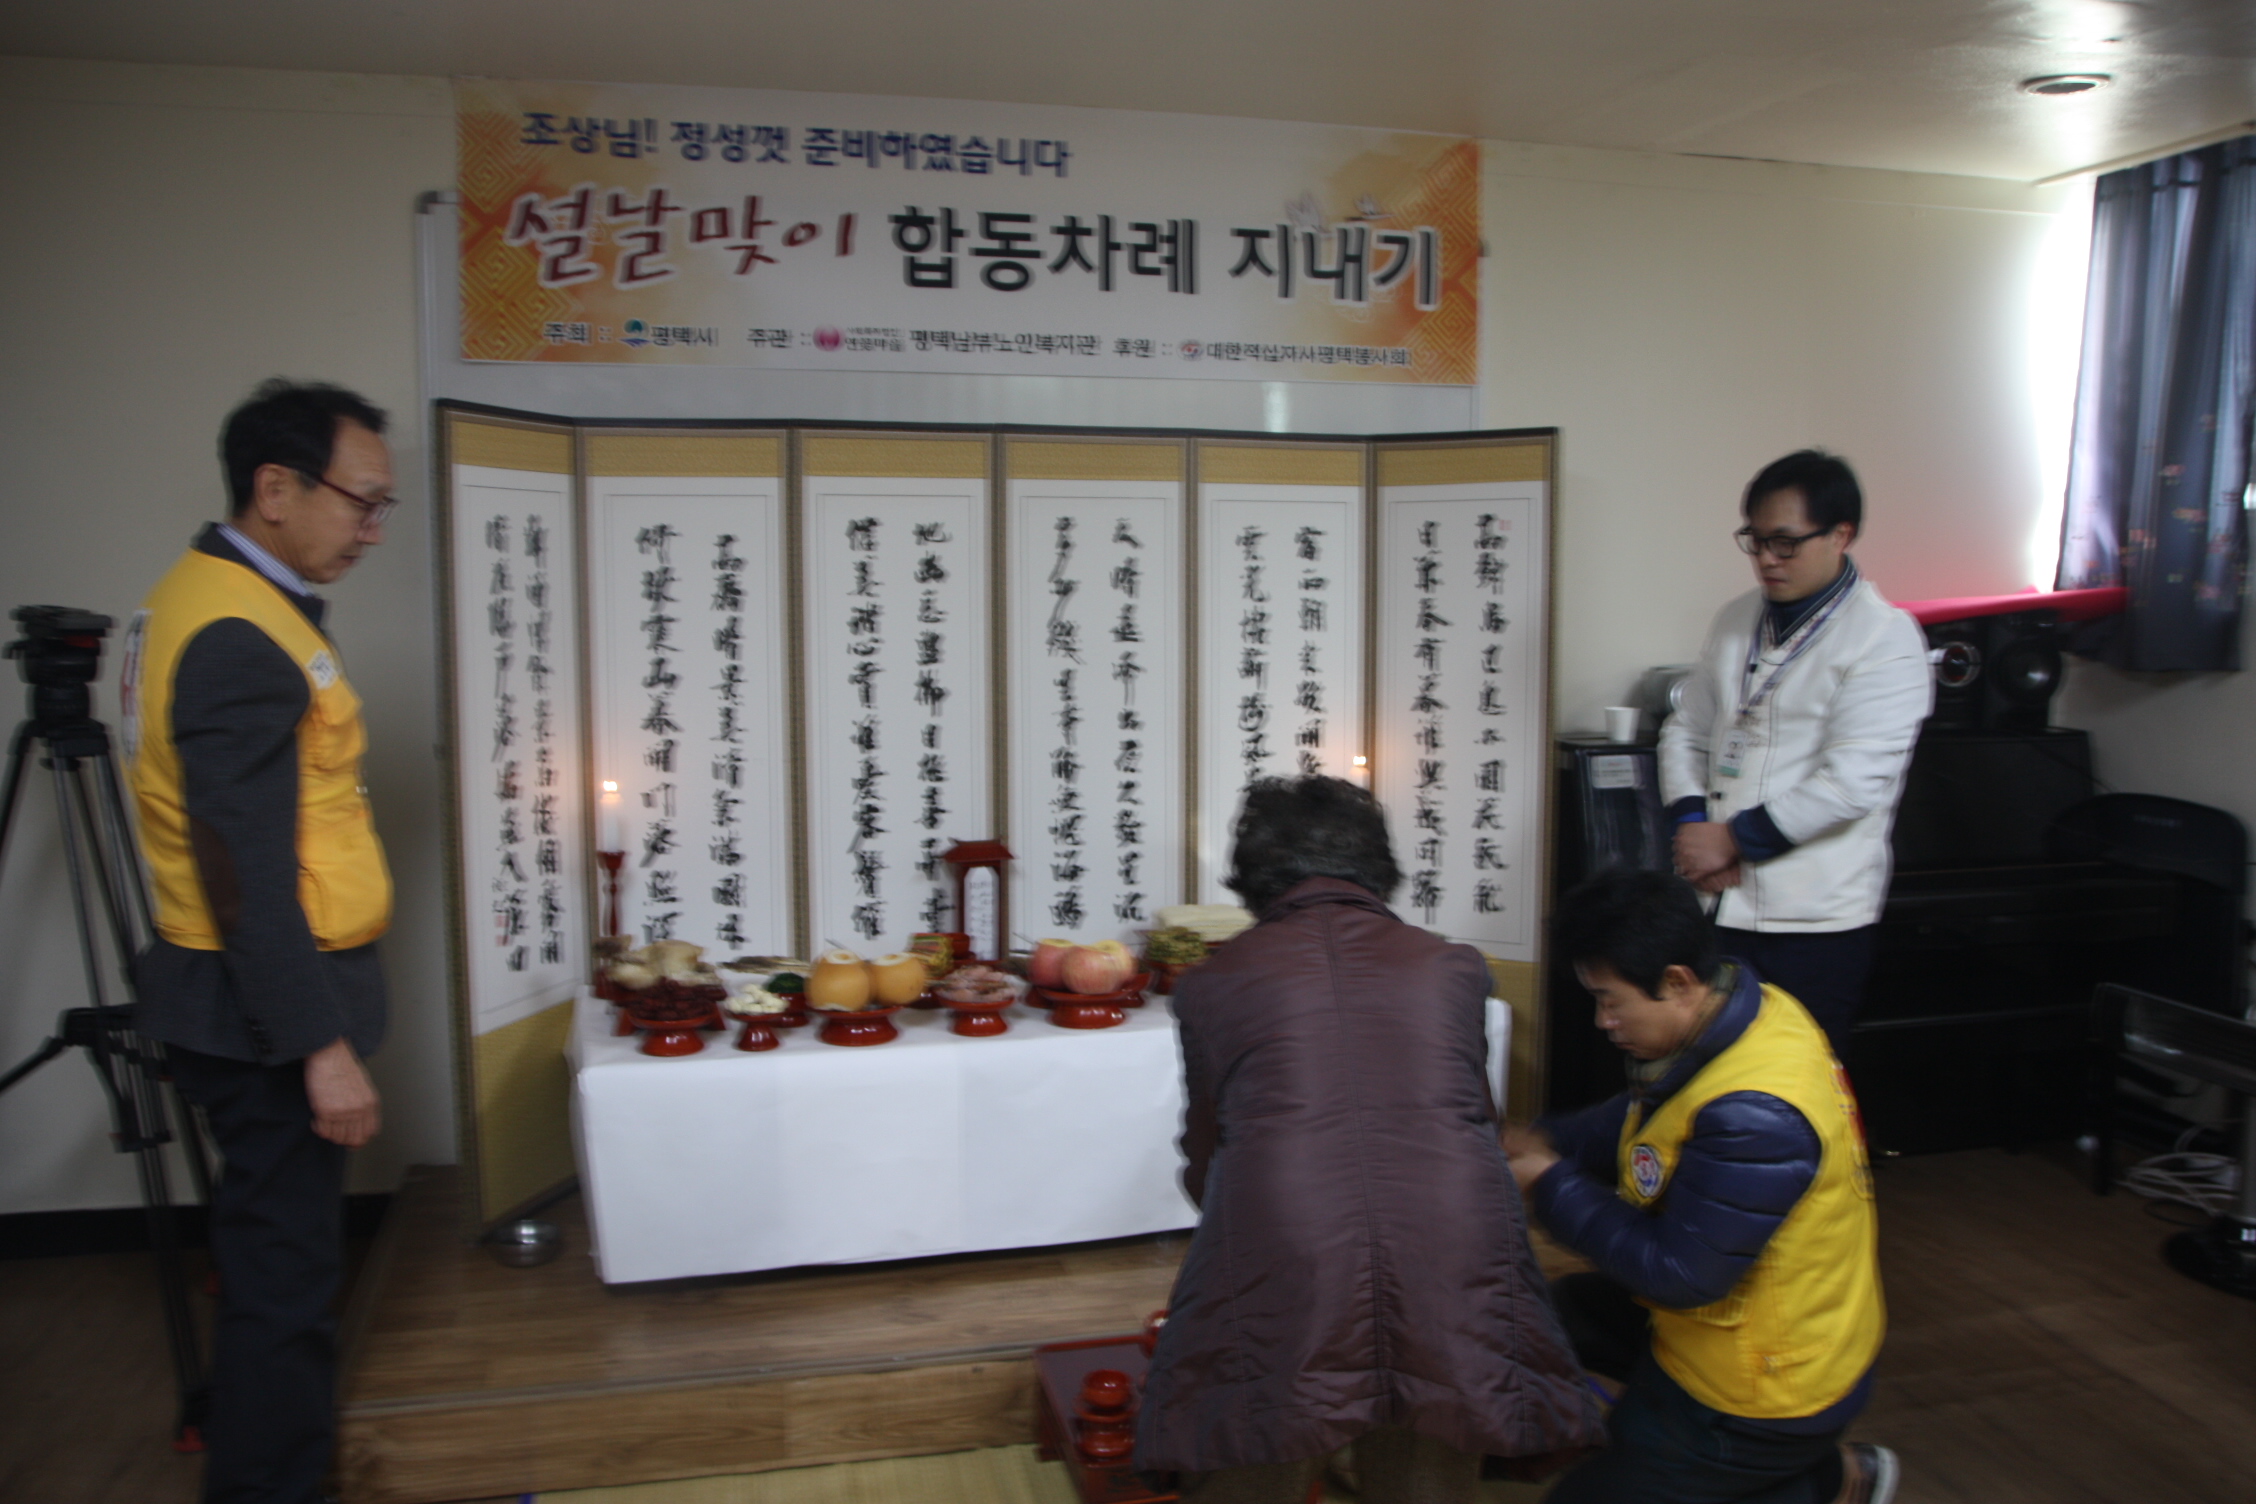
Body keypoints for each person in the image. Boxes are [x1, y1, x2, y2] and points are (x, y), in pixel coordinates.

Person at [1135, 776, 1604, 1503]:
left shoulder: (1213, 983)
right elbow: (1476, 1126)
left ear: (1254, 879)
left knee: (1263, 1427)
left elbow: (1207, 1155)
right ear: (1378, 870)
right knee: (1436, 1418)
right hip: (1454, 1238)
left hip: (1287, 1239)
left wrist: (1240, 1225)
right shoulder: (1452, 967)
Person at [125, 379, 397, 1504]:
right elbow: (241, 871)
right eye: (361, 502)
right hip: (262, 1016)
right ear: (275, 489)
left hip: (248, 1000)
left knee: (276, 1262)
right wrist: (317, 1047)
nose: (372, 529)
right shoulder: (237, 632)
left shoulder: (213, 595)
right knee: (284, 1283)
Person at [1507, 868, 1895, 1504]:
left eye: (1611, 1000)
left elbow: (1679, 1275)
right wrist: (1544, 1139)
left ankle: (1825, 1481)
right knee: (1546, 1314)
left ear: (1678, 982)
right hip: (1733, 1322)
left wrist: (1551, 1182)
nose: (1603, 1021)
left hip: (1762, 1387)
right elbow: (1640, 1119)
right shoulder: (1744, 1010)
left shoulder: (1755, 1114)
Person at [1657, 450, 1931, 1050]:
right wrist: (1693, 822)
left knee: (1789, 1082)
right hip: (1717, 904)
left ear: (1840, 535)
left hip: (1813, 923)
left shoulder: (1884, 638)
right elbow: (1686, 730)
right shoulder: (1737, 619)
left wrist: (1734, 839)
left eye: (1785, 543)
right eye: (1755, 541)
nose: (1766, 559)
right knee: (1705, 1071)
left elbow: (1851, 783)